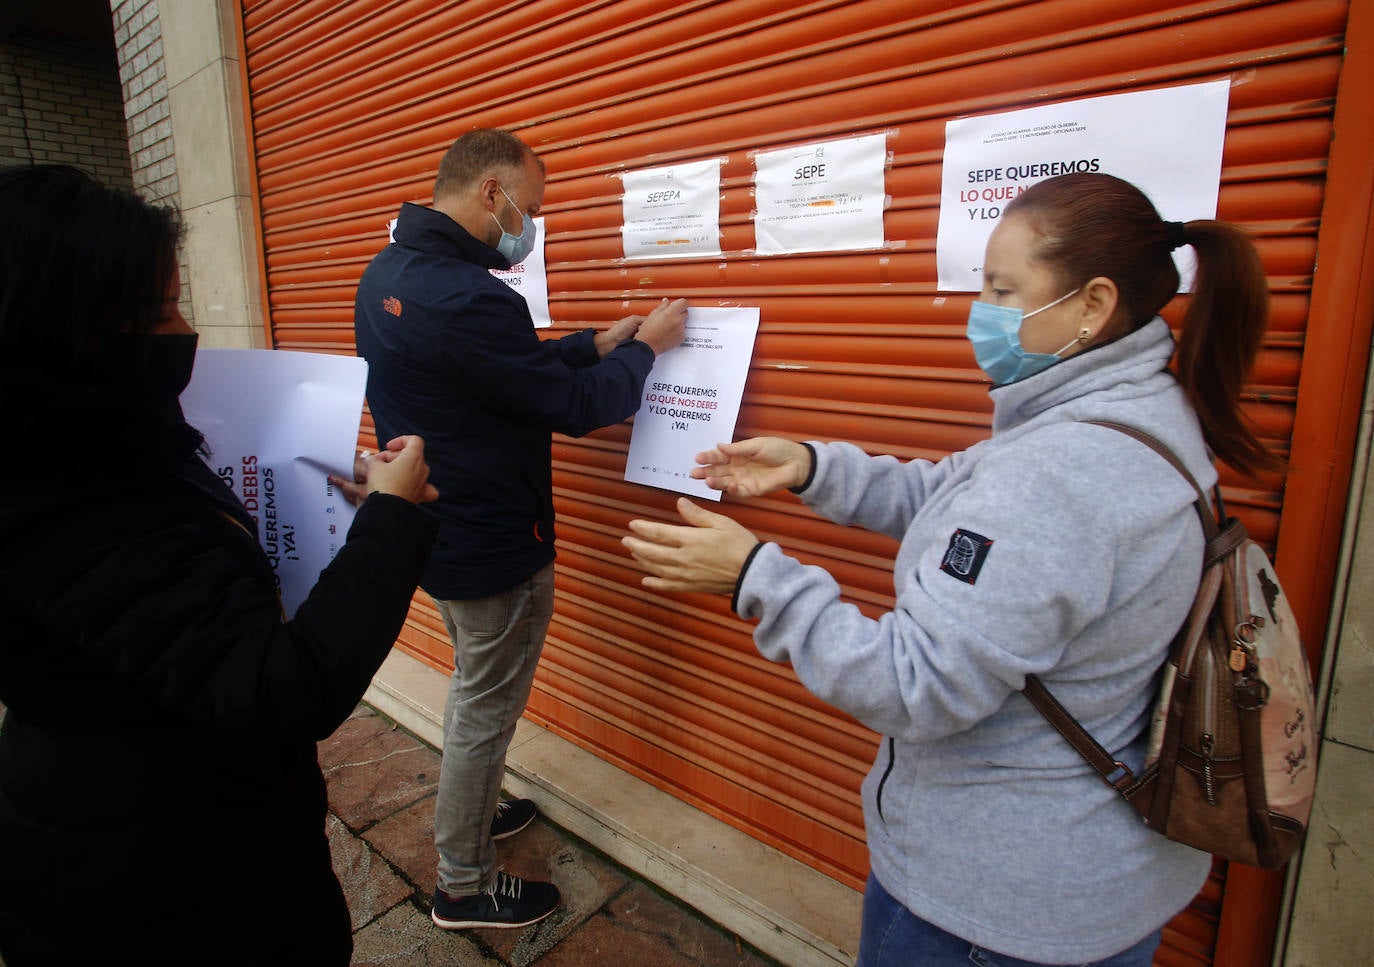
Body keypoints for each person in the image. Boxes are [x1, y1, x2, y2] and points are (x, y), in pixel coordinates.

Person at [622, 172, 1279, 967]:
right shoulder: (1134, 415)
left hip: (991, 912)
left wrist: (755, 576)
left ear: (1092, 305)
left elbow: (915, 686)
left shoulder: (1061, 471)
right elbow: (958, 499)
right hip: (1090, 883)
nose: (982, 313)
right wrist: (810, 466)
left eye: (1004, 289)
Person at [0, 164, 441, 966]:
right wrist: (390, 517)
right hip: (162, 892)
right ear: (70, 328)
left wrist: (327, 481)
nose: (184, 330)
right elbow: (285, 685)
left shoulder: (82, 437)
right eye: (161, 308)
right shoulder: (66, 504)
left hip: (167, 842)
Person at [353, 127, 688, 931]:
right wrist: (645, 350)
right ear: (492, 193)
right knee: (485, 709)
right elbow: (572, 406)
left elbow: (491, 371)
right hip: (495, 545)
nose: (532, 224)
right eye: (531, 207)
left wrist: (588, 343)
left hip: (437, 530)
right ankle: (463, 884)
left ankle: (474, 812)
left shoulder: (392, 271)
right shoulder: (472, 295)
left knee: (475, 692)